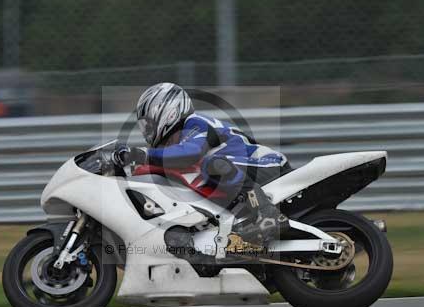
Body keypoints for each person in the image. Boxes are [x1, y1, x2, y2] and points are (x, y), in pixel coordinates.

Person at [113, 82, 291, 250]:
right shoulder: (175, 139)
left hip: (266, 164)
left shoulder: (195, 123)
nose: (147, 130)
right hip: (247, 169)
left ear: (168, 111)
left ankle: (269, 215)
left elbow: (190, 153)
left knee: (211, 164)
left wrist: (142, 154)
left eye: (149, 122)